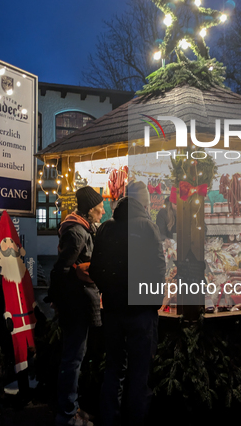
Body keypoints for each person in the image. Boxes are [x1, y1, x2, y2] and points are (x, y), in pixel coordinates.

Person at [89, 181, 165, 426]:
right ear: (144, 203)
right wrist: (153, 302)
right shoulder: (149, 228)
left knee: (113, 370)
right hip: (141, 314)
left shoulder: (105, 229)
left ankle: (109, 420)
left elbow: (95, 269)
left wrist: (108, 292)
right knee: (140, 374)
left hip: (112, 311)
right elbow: (158, 269)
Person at [49, 186, 105, 426]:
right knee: (73, 359)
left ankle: (73, 407)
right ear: (91, 209)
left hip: (79, 300)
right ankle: (68, 415)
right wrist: (59, 299)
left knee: (76, 358)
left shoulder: (82, 228)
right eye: (100, 207)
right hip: (76, 303)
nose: (103, 211)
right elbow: (60, 270)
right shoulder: (78, 232)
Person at [0, 210, 37, 397]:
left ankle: (35, 379)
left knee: (33, 348)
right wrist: (7, 315)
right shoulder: (6, 275)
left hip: (29, 317)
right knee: (20, 353)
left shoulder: (23, 272)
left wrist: (34, 306)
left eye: (11, 242)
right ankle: (23, 387)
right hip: (17, 320)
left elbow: (28, 291)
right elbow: (7, 296)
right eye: (6, 242)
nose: (9, 246)